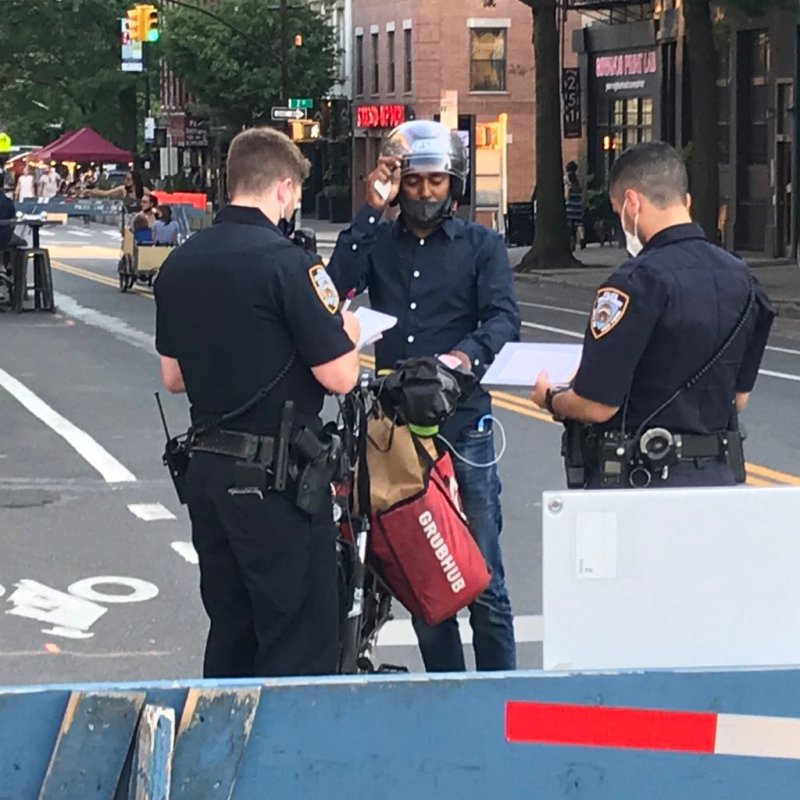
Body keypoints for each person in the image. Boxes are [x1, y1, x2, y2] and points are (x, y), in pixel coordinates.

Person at [154, 126, 362, 678]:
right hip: (277, 480)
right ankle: (285, 737)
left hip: (207, 472)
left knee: (232, 632)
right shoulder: (290, 264)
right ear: (284, 187)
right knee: (298, 638)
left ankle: (226, 729)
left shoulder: (179, 264)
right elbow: (340, 376)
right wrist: (349, 333)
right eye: (294, 195)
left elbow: (173, 377)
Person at [327, 119, 520, 673]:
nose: (425, 192)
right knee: (424, 577)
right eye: (413, 182)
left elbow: (504, 318)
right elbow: (333, 290)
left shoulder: (482, 246)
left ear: (453, 183)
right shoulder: (377, 242)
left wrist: (461, 360)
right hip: (397, 436)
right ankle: (446, 694)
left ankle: (498, 695)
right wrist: (371, 209)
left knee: (483, 575)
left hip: (464, 426)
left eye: (436, 181)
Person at [531, 141, 774, 489]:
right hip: (717, 478)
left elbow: (596, 405)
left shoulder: (633, 284)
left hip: (640, 480)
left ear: (632, 203)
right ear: (686, 201)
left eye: (618, 210)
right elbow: (738, 398)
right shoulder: (746, 282)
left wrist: (551, 398)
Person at [564, 160, 584, 250]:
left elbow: (567, 194)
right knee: (579, 223)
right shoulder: (578, 179)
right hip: (578, 204)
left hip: (570, 205)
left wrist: (566, 198)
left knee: (570, 225)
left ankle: (571, 243)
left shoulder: (566, 179)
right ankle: (582, 239)